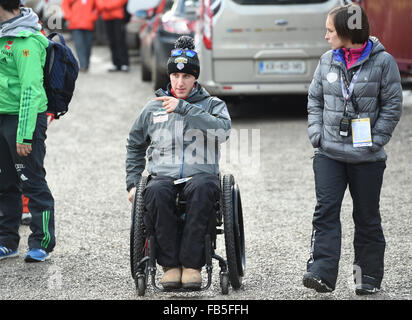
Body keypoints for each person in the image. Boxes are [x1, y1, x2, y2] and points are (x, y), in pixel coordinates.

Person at [304, 4, 402, 295]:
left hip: (367, 157)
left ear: (348, 31)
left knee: (367, 216)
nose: (326, 36)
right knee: (325, 211)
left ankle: (367, 278)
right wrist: (317, 135)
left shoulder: (384, 63)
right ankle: (321, 273)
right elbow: (314, 99)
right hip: (329, 155)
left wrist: (376, 139)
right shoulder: (326, 61)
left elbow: (393, 106)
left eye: (330, 30)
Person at [126, 36, 231, 289]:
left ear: (195, 78)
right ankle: (169, 266)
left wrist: (185, 108)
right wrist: (132, 183)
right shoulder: (153, 109)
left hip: (201, 174)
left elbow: (222, 131)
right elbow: (135, 144)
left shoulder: (213, 105)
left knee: (203, 189)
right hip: (163, 175)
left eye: (186, 77)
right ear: (169, 76)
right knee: (156, 191)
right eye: (175, 76)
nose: (180, 82)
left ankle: (192, 266)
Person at [0, 0, 55, 262]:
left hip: (23, 120)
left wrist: (24, 133)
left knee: (31, 183)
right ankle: (7, 241)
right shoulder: (2, 34)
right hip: (2, 116)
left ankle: (41, 242)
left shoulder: (27, 40)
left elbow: (31, 90)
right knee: (4, 184)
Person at [62, 0, 98, 72]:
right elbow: (65, 4)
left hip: (88, 24)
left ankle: (86, 65)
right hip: (76, 25)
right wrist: (70, 16)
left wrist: (92, 17)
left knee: (88, 46)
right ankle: (83, 65)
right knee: (79, 45)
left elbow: (97, 7)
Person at [96, 0, 130, 72]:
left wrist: (107, 6)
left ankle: (124, 63)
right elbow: (99, 2)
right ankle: (115, 63)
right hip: (107, 17)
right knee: (112, 41)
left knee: (120, 40)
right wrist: (106, 6)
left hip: (118, 16)